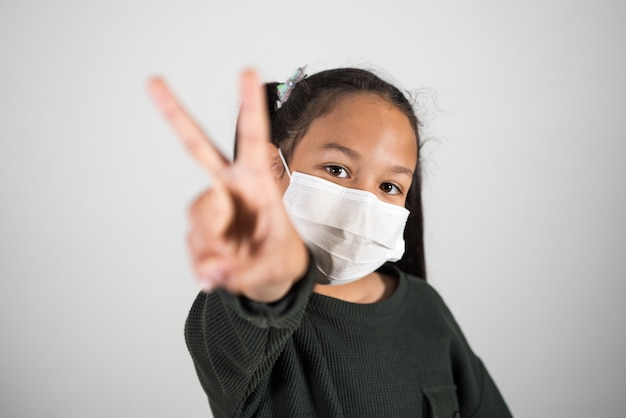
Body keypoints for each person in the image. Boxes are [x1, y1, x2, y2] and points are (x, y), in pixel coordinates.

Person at [148, 66, 512, 417]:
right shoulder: (245, 320)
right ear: (275, 170)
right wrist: (268, 286)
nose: (363, 201)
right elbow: (248, 318)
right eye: (337, 169)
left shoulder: (426, 309)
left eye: (389, 186)